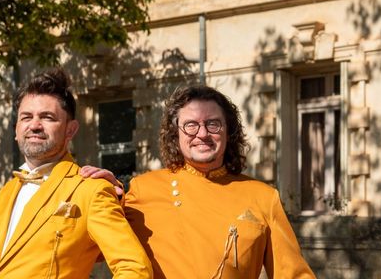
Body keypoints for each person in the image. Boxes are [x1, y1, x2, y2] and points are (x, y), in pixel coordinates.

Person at [86, 84, 315, 278]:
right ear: (176, 134)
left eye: (213, 124)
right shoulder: (143, 188)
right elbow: (92, 252)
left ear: (228, 131)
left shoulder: (264, 197)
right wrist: (102, 197)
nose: (202, 133)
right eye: (191, 125)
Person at [0, 68, 152, 279]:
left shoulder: (91, 189)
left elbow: (135, 268)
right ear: (16, 129)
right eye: (26, 117)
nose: (34, 125)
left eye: (47, 117)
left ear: (70, 130)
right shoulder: (6, 191)